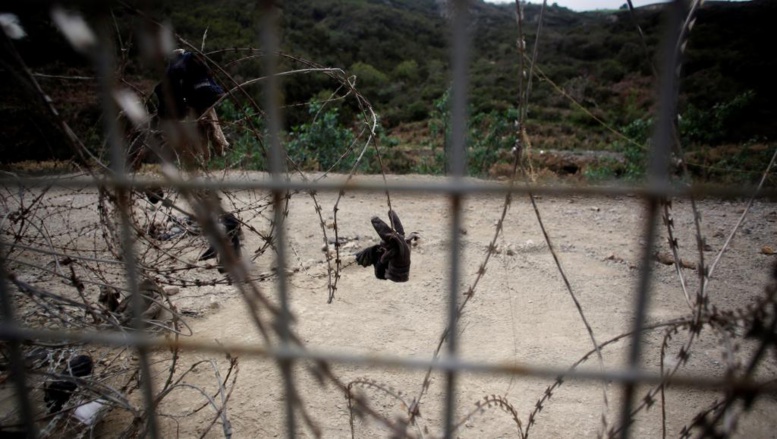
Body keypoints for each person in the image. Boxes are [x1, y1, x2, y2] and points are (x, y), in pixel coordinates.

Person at [154, 49, 229, 166]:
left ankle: (203, 155)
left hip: (191, 101)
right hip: (201, 97)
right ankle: (209, 152)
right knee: (206, 125)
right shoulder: (192, 61)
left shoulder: (176, 68)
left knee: (201, 128)